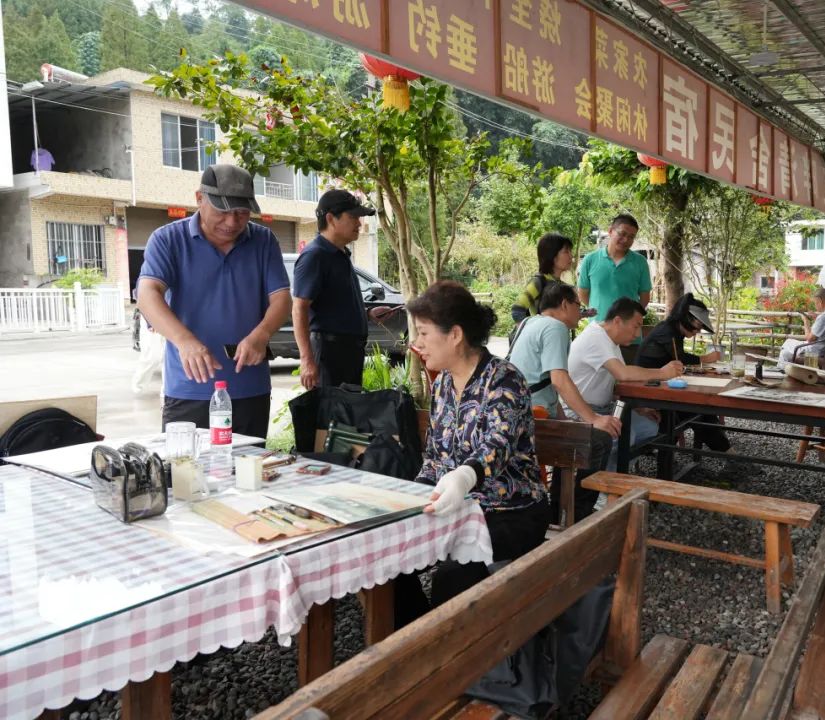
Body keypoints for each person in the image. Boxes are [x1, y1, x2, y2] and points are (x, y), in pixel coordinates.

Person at [396, 281, 550, 625]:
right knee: (391, 558)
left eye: (423, 333)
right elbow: (434, 459)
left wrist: (464, 476)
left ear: (455, 335)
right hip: (456, 507)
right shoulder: (443, 386)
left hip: (511, 510)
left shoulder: (504, 380)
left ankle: (448, 654)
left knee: (453, 574)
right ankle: (418, 642)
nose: (415, 343)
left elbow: (496, 447)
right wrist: (412, 498)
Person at [137, 164, 291, 437]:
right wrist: (185, 341)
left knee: (247, 472)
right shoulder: (168, 240)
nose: (232, 222)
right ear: (199, 199)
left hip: (250, 387)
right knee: (185, 471)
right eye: (222, 211)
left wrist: (262, 334)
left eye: (242, 213)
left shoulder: (263, 240)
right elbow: (148, 294)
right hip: (190, 388)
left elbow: (281, 298)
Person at [508, 282, 621, 521]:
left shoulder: (530, 322)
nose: (581, 312)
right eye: (578, 305)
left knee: (574, 436)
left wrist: (570, 423)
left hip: (517, 414)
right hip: (530, 421)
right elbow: (559, 379)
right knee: (599, 440)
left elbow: (543, 385)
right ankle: (578, 515)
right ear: (564, 304)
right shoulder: (555, 327)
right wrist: (593, 418)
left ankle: (558, 509)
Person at [566, 297, 683, 469]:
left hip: (604, 408)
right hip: (580, 410)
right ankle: (605, 490)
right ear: (618, 321)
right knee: (627, 434)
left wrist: (638, 408)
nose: (637, 334)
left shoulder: (610, 341)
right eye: (636, 326)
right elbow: (623, 373)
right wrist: (662, 373)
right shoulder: (596, 337)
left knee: (649, 427)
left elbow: (616, 382)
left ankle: (616, 473)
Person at [292, 189, 377, 390]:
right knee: (331, 419)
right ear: (331, 219)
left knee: (346, 419)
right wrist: (307, 360)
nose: (359, 223)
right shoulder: (315, 255)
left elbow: (333, 305)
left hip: (347, 354)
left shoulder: (339, 253)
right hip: (329, 355)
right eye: (353, 217)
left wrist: (367, 314)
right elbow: (299, 308)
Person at [636, 292, 730, 452]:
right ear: (687, 319)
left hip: (661, 385)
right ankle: (726, 452)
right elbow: (681, 357)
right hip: (647, 388)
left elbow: (677, 361)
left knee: (700, 410)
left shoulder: (672, 330)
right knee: (696, 409)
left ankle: (725, 450)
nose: (698, 331)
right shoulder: (667, 331)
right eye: (698, 326)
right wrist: (705, 358)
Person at [577, 214, 652, 364]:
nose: (626, 240)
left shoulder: (640, 262)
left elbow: (644, 298)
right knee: (599, 383)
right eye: (622, 234)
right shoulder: (590, 260)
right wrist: (600, 309)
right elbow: (583, 296)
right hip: (598, 335)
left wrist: (629, 317)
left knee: (628, 382)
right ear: (610, 231)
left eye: (631, 237)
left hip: (629, 338)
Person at [510, 232, 578, 323]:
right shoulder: (538, 282)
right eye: (566, 251)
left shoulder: (560, 284)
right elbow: (517, 310)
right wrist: (533, 329)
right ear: (552, 255)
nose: (571, 256)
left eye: (570, 251)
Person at [778, 287, 825, 365]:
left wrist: (806, 322)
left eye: (815, 303)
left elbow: (809, 339)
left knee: (787, 343)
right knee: (786, 353)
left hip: (817, 351)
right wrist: (817, 318)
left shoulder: (824, 317)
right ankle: (785, 369)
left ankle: (782, 370)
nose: (815, 306)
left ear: (819, 301)